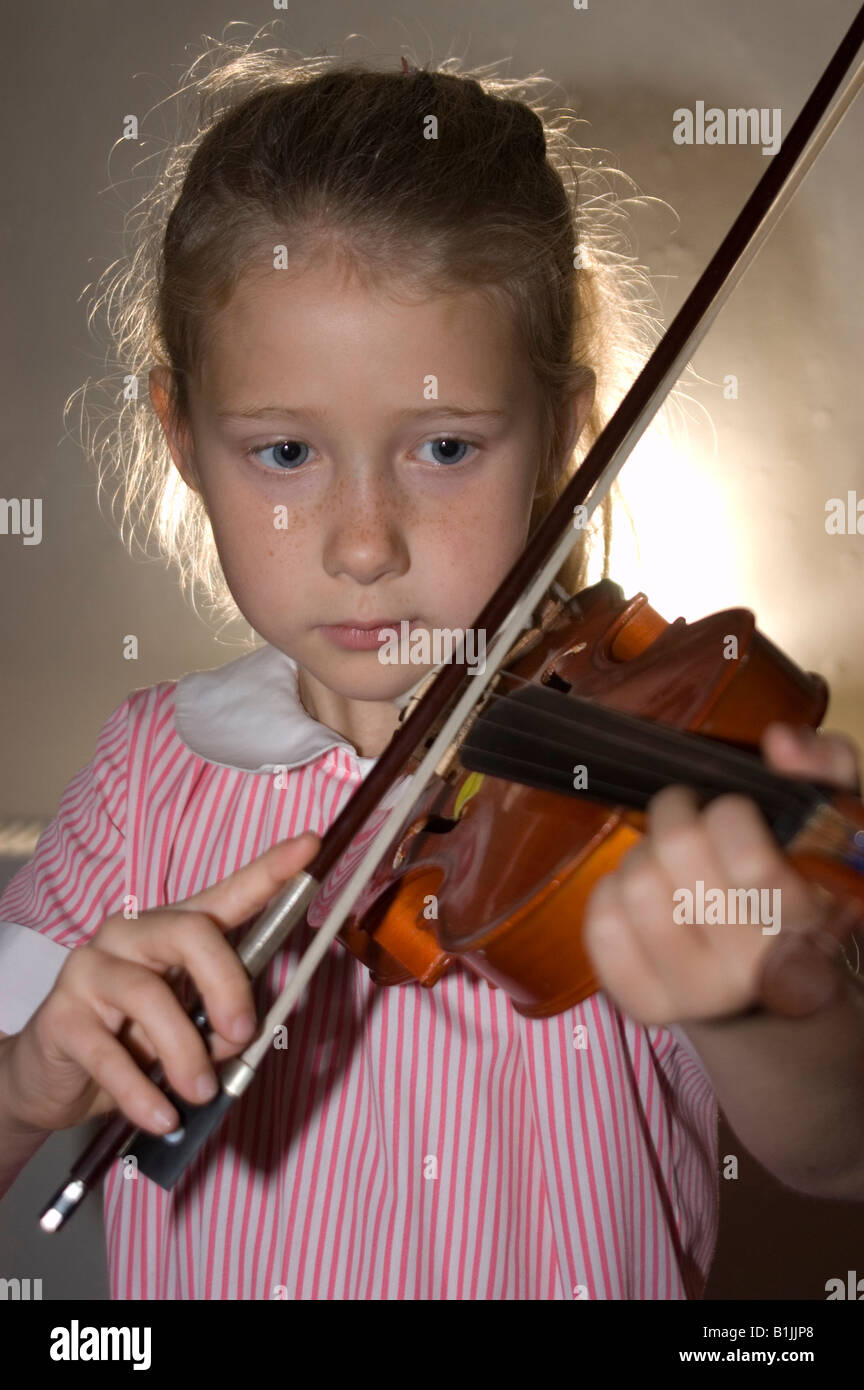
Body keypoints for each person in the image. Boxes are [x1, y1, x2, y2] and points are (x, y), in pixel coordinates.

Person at [1, 39, 862, 1301]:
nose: (364, 544)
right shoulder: (147, 776)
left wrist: (744, 1006)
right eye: (287, 451)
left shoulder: (635, 795)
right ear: (181, 434)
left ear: (565, 433)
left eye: (447, 445)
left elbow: (840, 1150)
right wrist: (30, 1080)